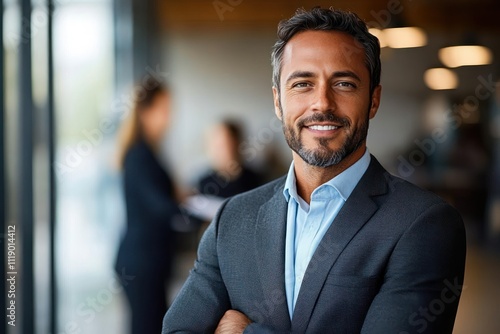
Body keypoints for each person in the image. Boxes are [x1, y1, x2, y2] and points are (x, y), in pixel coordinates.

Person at [163, 7, 466, 334]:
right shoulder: (233, 219)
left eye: (345, 84)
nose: (322, 103)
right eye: (303, 84)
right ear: (278, 102)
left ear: (373, 100)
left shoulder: (425, 224)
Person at [115, 80, 181, 334]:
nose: (169, 117)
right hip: (140, 263)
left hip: (148, 259)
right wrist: (191, 213)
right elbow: (160, 206)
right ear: (145, 113)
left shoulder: (149, 151)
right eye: (164, 109)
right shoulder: (139, 155)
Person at [198, 120, 264, 198]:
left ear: (238, 144)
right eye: (214, 144)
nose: (216, 150)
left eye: (223, 144)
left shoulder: (255, 181)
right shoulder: (203, 184)